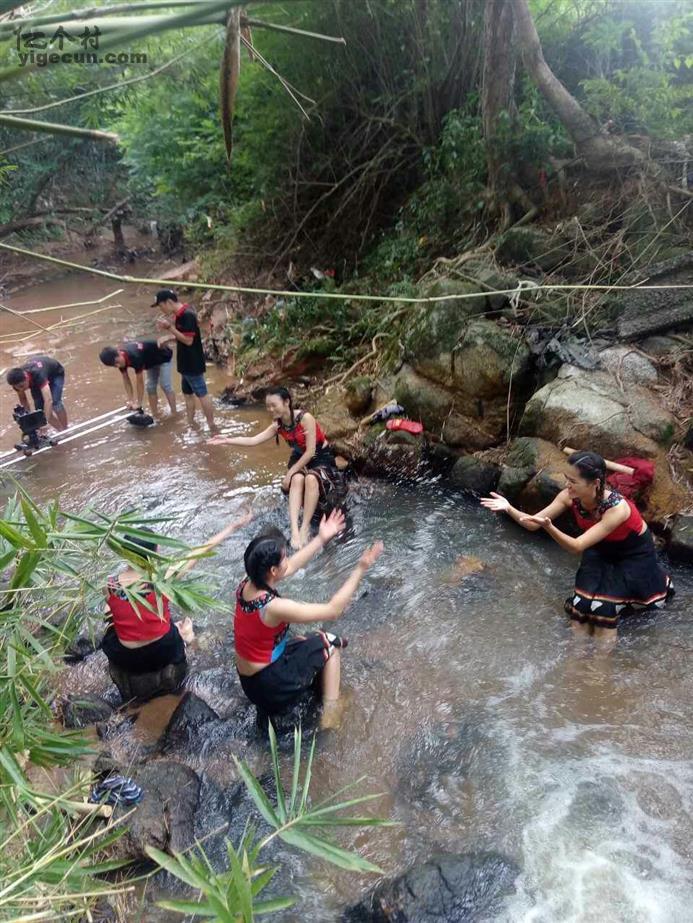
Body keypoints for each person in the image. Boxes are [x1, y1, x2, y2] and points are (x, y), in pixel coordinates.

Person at [480, 451, 673, 643]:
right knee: (581, 606)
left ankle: (600, 667)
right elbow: (532, 523)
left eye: (573, 481)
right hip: (599, 549)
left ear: (595, 483)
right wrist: (507, 507)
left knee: (603, 609)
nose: (567, 485)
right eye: (566, 479)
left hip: (632, 555)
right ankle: (576, 657)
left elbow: (577, 546)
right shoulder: (568, 496)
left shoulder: (617, 508)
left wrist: (549, 527)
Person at [234, 508, 383, 730]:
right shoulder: (273, 607)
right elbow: (333, 610)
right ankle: (331, 713)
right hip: (269, 686)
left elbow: (292, 566)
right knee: (329, 642)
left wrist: (322, 538)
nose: (288, 560)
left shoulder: (247, 583)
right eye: (284, 558)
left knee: (305, 641)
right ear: (273, 571)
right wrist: (361, 568)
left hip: (250, 683)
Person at [102, 510, 252, 676]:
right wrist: (233, 526)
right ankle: (187, 637)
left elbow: (122, 612)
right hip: (163, 652)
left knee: (110, 614)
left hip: (126, 659)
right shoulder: (162, 579)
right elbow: (201, 550)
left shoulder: (109, 585)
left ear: (124, 553)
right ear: (154, 553)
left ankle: (181, 632)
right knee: (165, 622)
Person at [209, 386, 345, 549]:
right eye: (268, 406)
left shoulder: (305, 418)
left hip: (320, 457)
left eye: (274, 405)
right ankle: (295, 530)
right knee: (296, 480)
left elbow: (310, 452)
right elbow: (254, 440)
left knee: (310, 479)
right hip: (298, 458)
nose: (270, 409)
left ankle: (305, 527)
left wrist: (290, 472)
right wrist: (227, 440)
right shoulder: (278, 426)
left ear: (286, 402)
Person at [152, 289, 217, 432]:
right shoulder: (180, 315)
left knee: (202, 394)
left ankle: (212, 426)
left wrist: (170, 328)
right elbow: (184, 336)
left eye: (161, 305)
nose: (161, 309)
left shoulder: (187, 315)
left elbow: (188, 340)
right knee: (188, 394)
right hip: (185, 363)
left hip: (192, 363)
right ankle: (191, 423)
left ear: (169, 302)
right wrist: (169, 338)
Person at [99, 340, 177, 417]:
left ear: (119, 353)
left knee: (165, 385)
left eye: (117, 362)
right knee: (150, 387)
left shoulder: (135, 356)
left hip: (163, 356)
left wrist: (139, 404)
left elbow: (140, 382)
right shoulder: (119, 360)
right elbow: (126, 380)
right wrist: (131, 401)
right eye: (115, 365)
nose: (118, 366)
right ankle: (155, 414)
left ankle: (174, 413)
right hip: (149, 361)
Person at [6, 354, 68, 431]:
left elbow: (48, 400)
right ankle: (60, 429)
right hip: (35, 381)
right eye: (17, 387)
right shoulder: (17, 382)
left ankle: (65, 429)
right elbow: (24, 400)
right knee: (40, 412)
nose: (21, 389)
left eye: (22, 386)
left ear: (26, 378)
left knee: (55, 402)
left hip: (55, 374)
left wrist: (45, 422)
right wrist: (29, 419)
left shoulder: (38, 375)